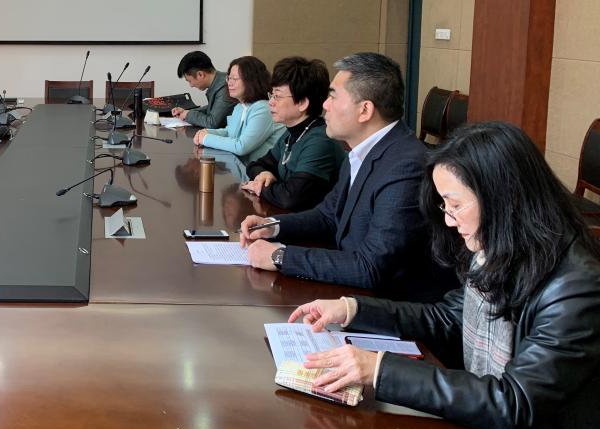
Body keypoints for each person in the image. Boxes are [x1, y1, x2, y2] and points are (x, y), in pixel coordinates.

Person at [290, 122, 600, 429]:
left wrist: (380, 370)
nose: (450, 221)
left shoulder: (574, 286)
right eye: (444, 206)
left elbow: (514, 401)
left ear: (504, 198)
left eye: (455, 205)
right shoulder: (499, 249)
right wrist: (353, 309)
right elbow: (447, 317)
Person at [239, 52, 454, 301]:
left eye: (333, 97)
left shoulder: (406, 167)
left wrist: (280, 257)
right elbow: (328, 216)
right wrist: (271, 226)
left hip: (392, 308)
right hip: (354, 295)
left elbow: (370, 267)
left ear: (365, 110)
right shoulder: (363, 151)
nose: (324, 105)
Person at [241, 56, 344, 211]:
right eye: (271, 94)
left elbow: (290, 198)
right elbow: (255, 165)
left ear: (302, 103)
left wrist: (259, 187)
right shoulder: (290, 134)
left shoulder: (320, 141)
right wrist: (264, 174)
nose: (271, 102)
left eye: (277, 96)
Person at [192, 56, 283, 164]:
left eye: (234, 79)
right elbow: (229, 132)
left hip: (261, 171)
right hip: (242, 167)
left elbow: (241, 146)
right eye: (229, 78)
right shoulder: (240, 107)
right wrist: (206, 132)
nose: (229, 83)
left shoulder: (263, 109)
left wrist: (206, 139)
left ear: (252, 80)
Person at [171, 51, 235, 128]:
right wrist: (187, 112)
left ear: (200, 74)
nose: (191, 85)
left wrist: (188, 115)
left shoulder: (225, 87)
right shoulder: (220, 81)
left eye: (190, 81)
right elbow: (213, 108)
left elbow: (212, 123)